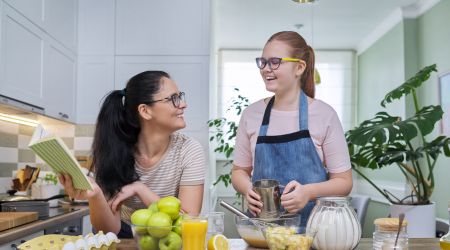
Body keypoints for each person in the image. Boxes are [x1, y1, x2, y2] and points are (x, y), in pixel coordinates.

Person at [59, 71, 205, 238]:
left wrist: (140, 189)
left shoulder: (189, 150)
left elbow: (188, 222)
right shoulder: (114, 150)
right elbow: (109, 229)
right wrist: (95, 195)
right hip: (124, 236)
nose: (183, 104)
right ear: (145, 111)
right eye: (173, 99)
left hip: (169, 237)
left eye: (180, 96)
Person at [231, 31, 352, 226]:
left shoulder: (324, 114)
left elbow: (344, 182)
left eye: (275, 61)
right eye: (262, 62)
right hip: (262, 233)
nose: (265, 69)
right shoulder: (251, 115)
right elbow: (239, 171)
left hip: (313, 232)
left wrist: (308, 192)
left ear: (299, 67)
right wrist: (247, 189)